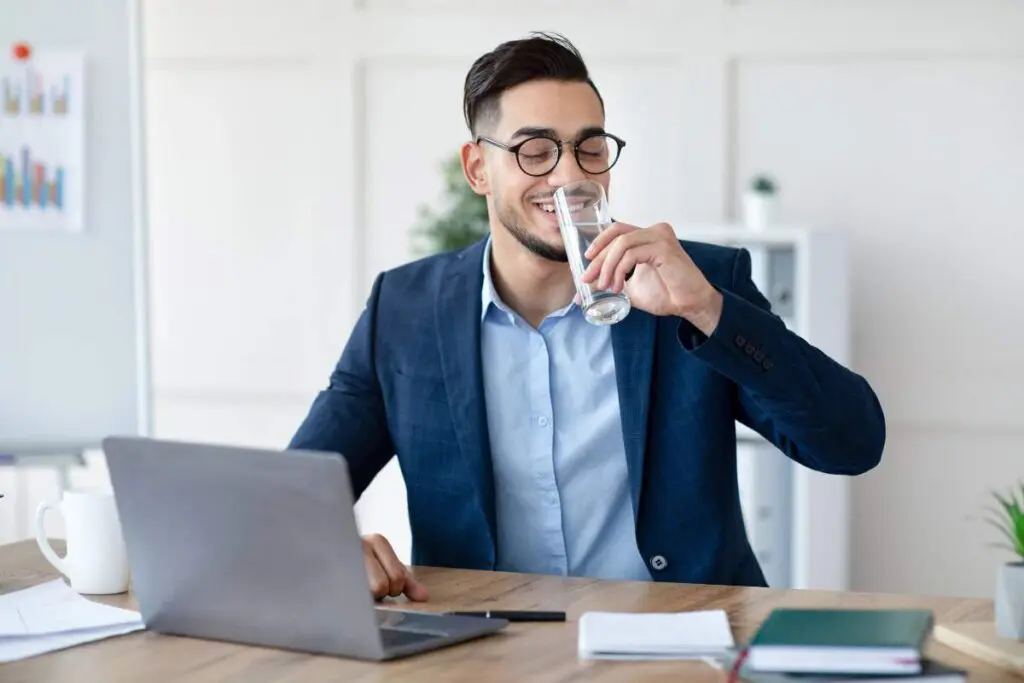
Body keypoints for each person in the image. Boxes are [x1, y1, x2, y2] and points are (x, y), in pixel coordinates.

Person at [289, 32, 885, 602]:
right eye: (535, 150)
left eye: (589, 147)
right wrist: (337, 548)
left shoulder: (693, 286)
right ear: (477, 170)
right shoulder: (405, 309)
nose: (570, 175)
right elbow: (293, 497)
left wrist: (708, 309)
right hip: (483, 652)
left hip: (679, 645)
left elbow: (851, 444)